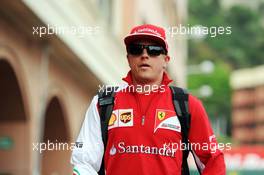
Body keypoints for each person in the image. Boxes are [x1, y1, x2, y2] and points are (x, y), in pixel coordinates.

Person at [71, 24, 226, 175]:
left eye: (154, 50)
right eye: (136, 49)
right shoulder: (103, 102)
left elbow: (214, 161)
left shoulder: (187, 104)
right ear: (128, 58)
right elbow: (83, 162)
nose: (144, 55)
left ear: (166, 60)